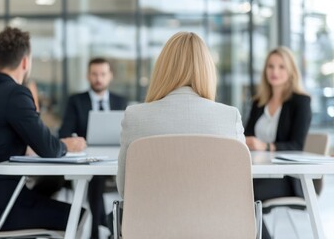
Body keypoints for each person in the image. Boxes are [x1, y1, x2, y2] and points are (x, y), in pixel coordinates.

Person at [0, 27, 86, 231]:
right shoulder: (16, 94)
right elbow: (50, 149)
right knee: (79, 216)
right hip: (3, 208)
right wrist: (66, 144)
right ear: (25, 62)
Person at [116, 31, 245, 199]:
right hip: (214, 223)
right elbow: (239, 184)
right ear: (207, 71)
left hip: (150, 223)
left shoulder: (135, 116)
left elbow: (125, 189)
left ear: (162, 70)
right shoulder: (229, 117)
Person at [244, 46, 312, 239]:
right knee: (236, 186)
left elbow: (297, 145)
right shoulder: (259, 102)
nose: (275, 72)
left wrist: (265, 146)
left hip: (286, 178)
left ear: (291, 71)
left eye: (281, 67)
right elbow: (247, 134)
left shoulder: (301, 102)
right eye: (270, 66)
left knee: (244, 191)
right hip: (257, 171)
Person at [59, 57, 127, 239]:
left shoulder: (121, 102)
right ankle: (101, 228)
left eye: (103, 74)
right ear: (88, 76)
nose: (99, 78)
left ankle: (104, 226)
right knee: (96, 177)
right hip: (87, 159)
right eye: (95, 74)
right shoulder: (76, 101)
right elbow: (64, 132)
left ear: (110, 76)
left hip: (115, 157)